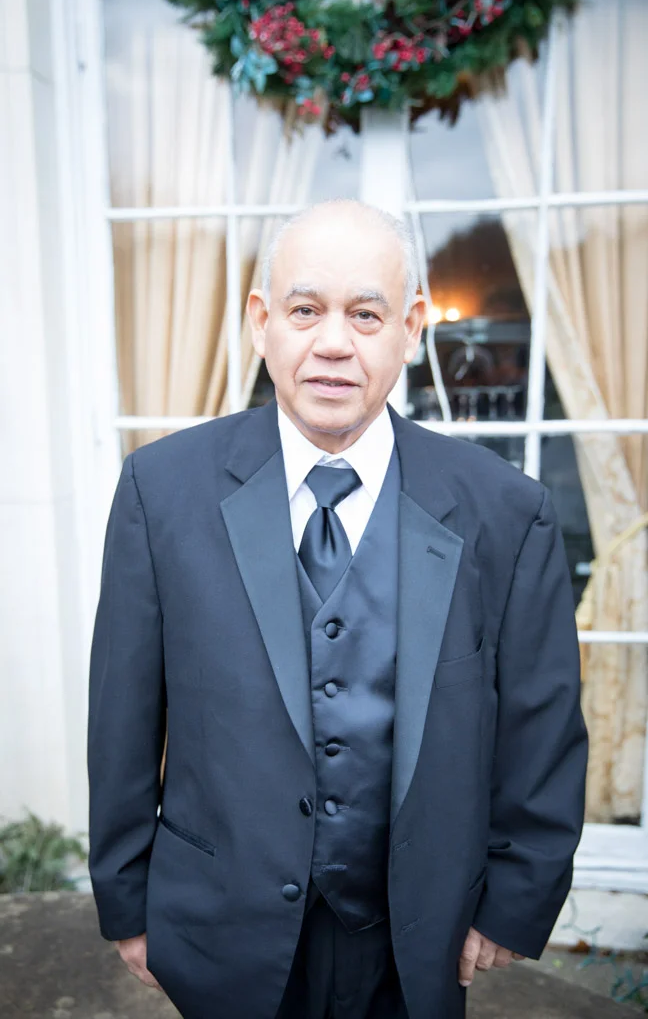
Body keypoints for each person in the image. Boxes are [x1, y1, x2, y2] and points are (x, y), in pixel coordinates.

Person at [88, 199, 588, 1019]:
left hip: (415, 934)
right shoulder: (160, 491)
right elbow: (123, 716)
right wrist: (126, 899)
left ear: (411, 328)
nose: (332, 343)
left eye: (365, 314)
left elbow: (541, 725)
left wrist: (517, 898)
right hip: (220, 920)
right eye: (305, 310)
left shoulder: (506, 511)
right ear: (262, 322)